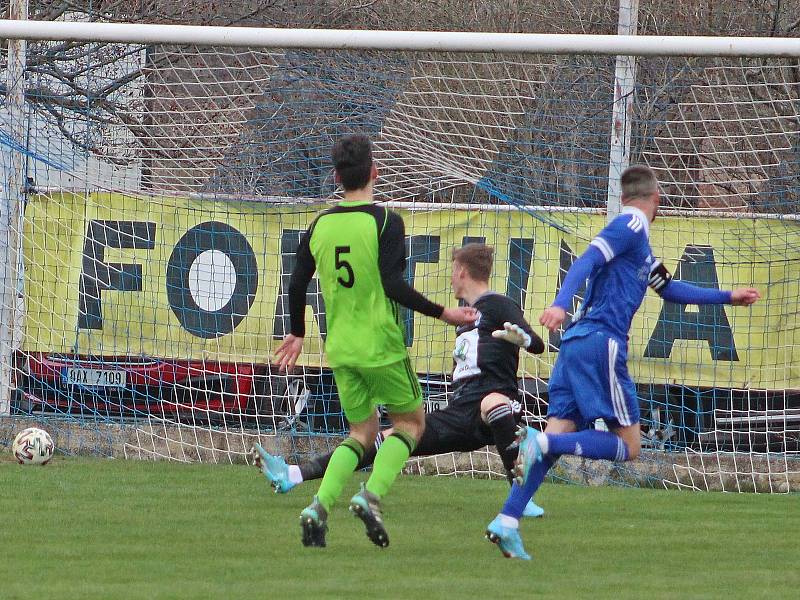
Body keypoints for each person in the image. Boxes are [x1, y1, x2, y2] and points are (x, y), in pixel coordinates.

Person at [485, 165, 761, 560]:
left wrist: (728, 296)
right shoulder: (630, 225)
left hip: (576, 347)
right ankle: (537, 440)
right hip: (601, 343)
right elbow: (586, 260)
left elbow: (670, 290)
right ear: (657, 199)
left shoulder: (640, 245)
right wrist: (561, 302)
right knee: (628, 446)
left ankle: (507, 520)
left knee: (556, 438)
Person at [274, 134, 476, 549]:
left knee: (361, 433)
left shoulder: (320, 224)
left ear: (336, 176)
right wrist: (445, 313)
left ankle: (318, 506)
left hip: (342, 349)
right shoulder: (386, 221)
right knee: (411, 425)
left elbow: (296, 282)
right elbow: (392, 284)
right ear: (374, 171)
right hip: (381, 346)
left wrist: (297, 331)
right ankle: (369, 497)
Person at [256, 243, 547, 518]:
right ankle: (294, 474)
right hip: (459, 413)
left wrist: (522, 339)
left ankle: (520, 499)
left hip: (495, 408)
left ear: (461, 271)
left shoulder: (497, 304)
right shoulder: (467, 315)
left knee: (492, 402)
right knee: (385, 438)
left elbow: (536, 345)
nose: (450, 279)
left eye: (452, 271)